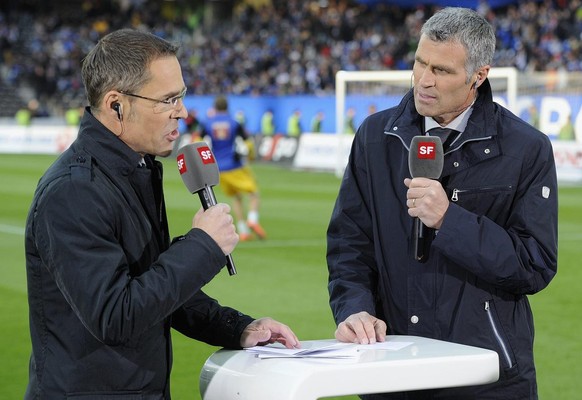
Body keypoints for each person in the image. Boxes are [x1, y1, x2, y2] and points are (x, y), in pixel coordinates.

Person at [24, 29, 298, 399]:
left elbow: (153, 286)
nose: (182, 112)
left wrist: (237, 328)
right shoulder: (74, 191)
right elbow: (117, 315)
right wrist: (202, 246)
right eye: (168, 99)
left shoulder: (137, 169)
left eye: (181, 96)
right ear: (116, 105)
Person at [327, 7, 557, 399]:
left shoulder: (526, 149)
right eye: (420, 63)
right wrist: (354, 308)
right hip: (391, 369)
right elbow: (350, 243)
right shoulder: (374, 136)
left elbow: (534, 264)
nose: (424, 81)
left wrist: (451, 220)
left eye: (443, 71)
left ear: (478, 76)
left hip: (485, 376)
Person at [200, 95, 266, 241]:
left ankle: (243, 231)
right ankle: (253, 220)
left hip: (219, 168)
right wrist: (249, 156)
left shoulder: (207, 123)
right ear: (227, 107)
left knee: (236, 197)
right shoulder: (234, 123)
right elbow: (247, 142)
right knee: (254, 193)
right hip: (235, 166)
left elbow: (199, 142)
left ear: (215, 107)